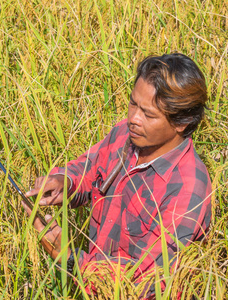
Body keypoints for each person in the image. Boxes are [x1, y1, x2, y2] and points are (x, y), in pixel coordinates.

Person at [24, 53, 212, 296]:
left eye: (149, 114)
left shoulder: (187, 190)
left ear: (181, 123)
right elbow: (89, 169)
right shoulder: (125, 136)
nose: (133, 118)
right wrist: (65, 182)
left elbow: (148, 282)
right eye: (133, 103)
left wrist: (69, 257)